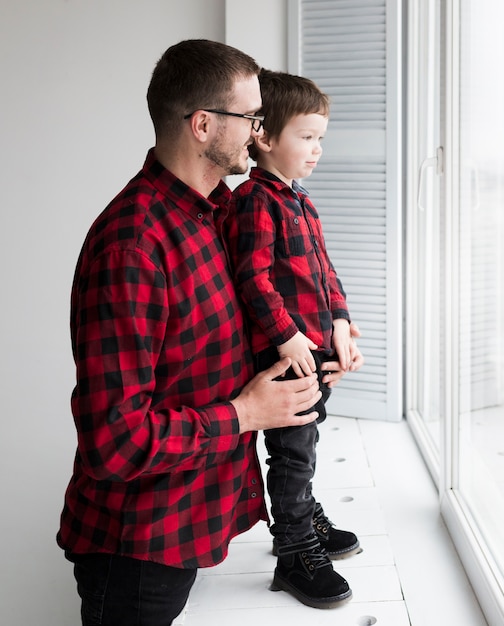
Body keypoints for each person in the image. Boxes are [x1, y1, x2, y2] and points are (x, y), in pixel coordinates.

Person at [57, 40, 358, 626]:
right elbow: (114, 441)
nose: (259, 129)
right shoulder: (134, 245)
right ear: (202, 125)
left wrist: (325, 336)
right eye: (251, 117)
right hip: (138, 549)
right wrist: (246, 414)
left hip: (188, 522)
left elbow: (267, 300)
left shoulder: (222, 214)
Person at [224, 69, 364, 610]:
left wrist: (340, 325)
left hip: (313, 348)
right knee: (292, 453)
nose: (317, 149)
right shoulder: (256, 201)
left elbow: (325, 273)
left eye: (320, 138)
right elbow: (252, 279)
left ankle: (302, 513)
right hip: (285, 357)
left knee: (305, 446)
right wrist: (288, 337)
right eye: (306, 137)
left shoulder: (299, 200)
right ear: (263, 136)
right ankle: (294, 549)